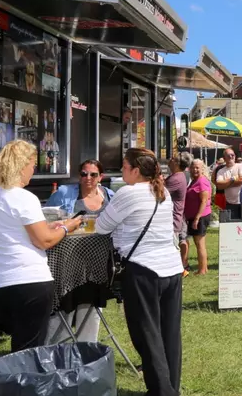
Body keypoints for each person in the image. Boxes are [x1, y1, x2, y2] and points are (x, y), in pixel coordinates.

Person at [0, 140, 83, 353]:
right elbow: (43, 240)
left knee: (20, 346)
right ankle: (25, 385)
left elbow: (14, 231)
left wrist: (50, 226)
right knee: (29, 350)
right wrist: (67, 228)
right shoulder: (25, 198)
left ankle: (14, 383)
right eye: (32, 163)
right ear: (20, 165)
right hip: (28, 283)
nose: (33, 169)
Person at [96, 148, 183, 396]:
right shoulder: (162, 191)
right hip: (171, 269)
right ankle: (169, 388)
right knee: (169, 334)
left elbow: (102, 226)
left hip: (144, 270)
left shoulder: (128, 193)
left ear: (135, 170)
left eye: (124, 166)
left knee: (147, 334)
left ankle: (161, 391)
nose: (121, 171)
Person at [45, 159, 114, 343]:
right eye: (84, 174)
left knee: (91, 305)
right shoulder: (64, 193)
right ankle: (57, 348)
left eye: (93, 174)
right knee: (65, 304)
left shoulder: (110, 196)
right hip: (67, 261)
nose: (88, 178)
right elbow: (46, 217)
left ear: (101, 177)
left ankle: (87, 348)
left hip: (98, 262)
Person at [184, 159, 213, 275]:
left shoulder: (201, 181)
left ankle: (202, 270)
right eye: (193, 167)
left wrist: (197, 218)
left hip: (200, 217)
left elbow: (204, 201)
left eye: (197, 168)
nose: (195, 170)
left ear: (202, 169)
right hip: (194, 216)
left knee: (199, 243)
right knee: (198, 243)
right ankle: (204, 268)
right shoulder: (193, 181)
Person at [165, 153, 191, 274]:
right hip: (174, 219)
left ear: (177, 163)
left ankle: (179, 273)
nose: (169, 160)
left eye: (172, 158)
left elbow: (158, 192)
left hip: (172, 219)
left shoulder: (176, 178)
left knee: (171, 250)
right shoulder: (178, 176)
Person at [213, 148, 242, 220]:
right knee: (232, 226)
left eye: (232, 155)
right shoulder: (221, 171)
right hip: (229, 203)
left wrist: (226, 184)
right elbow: (219, 185)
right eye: (228, 155)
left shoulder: (241, 166)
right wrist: (233, 179)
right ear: (224, 158)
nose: (231, 156)